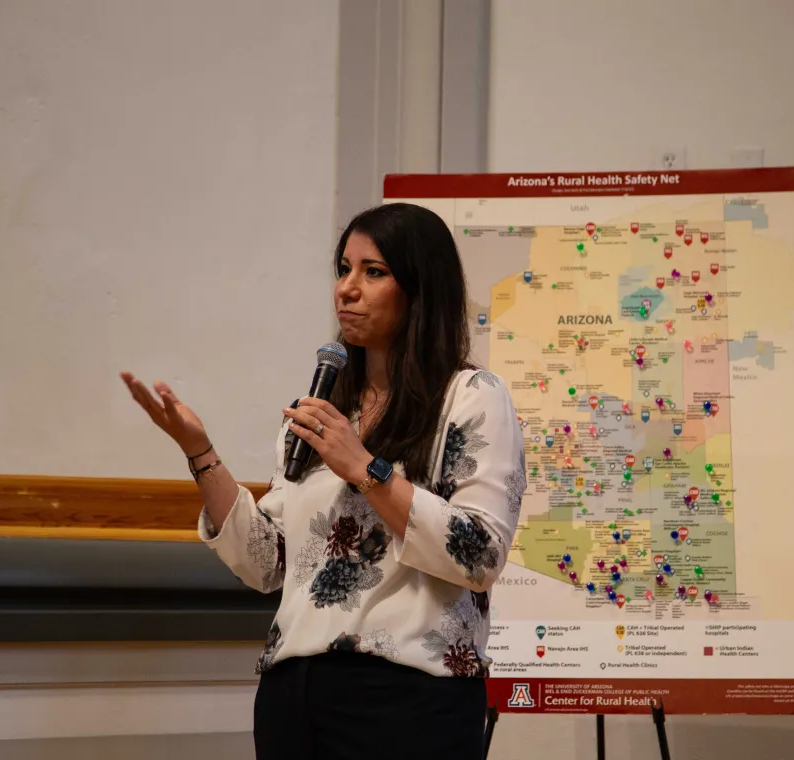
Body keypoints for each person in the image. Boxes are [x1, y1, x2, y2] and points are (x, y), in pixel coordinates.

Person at [121, 202, 525, 759]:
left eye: (373, 271)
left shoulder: (472, 396)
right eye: (343, 269)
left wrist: (365, 468)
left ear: (420, 288)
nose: (347, 289)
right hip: (295, 696)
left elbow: (479, 555)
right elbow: (266, 562)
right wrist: (199, 450)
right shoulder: (322, 411)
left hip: (407, 700)